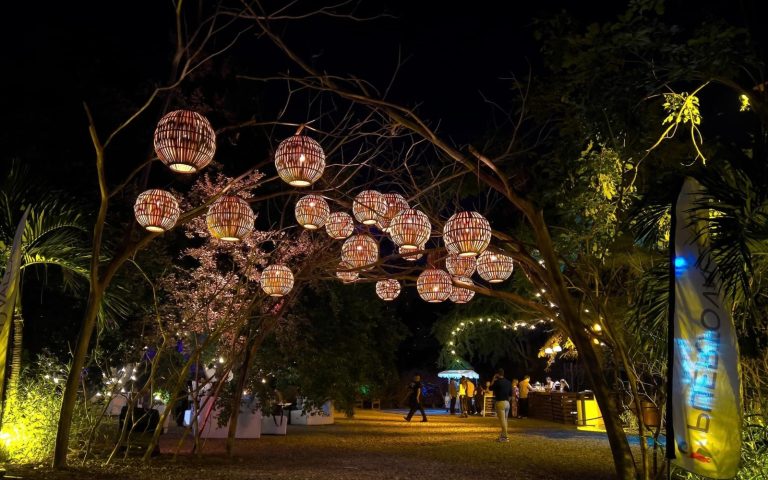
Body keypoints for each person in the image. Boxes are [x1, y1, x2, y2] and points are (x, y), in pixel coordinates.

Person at [490, 368, 512, 442]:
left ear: (497, 374)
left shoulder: (497, 382)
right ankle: (503, 435)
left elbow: (490, 388)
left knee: (502, 420)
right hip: (507, 403)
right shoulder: (509, 382)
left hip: (500, 402)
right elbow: (511, 394)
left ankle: (505, 437)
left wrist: (493, 378)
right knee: (505, 420)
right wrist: (508, 401)